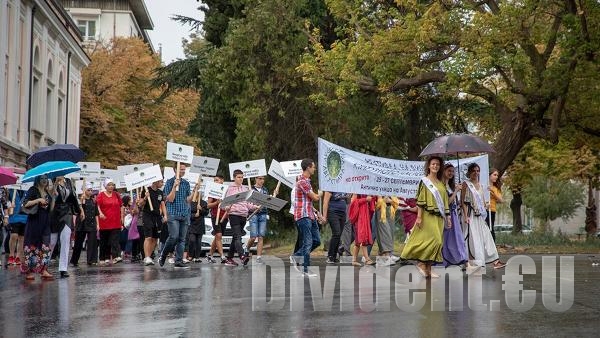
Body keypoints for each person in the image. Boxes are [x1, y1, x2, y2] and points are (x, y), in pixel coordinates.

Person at [401, 156, 450, 278]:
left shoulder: (441, 184)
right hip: (427, 216)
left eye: (437, 164)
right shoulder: (425, 181)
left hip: (439, 218)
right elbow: (421, 201)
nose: (435, 166)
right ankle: (421, 263)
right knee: (435, 241)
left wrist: (448, 217)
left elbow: (445, 202)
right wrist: (419, 217)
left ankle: (429, 267)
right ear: (429, 166)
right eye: (433, 164)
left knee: (438, 243)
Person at [461, 163, 506, 269]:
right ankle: (468, 262)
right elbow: (462, 201)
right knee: (471, 238)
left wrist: (486, 205)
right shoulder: (466, 184)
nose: (476, 173)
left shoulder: (481, 185)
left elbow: (480, 200)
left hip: (479, 215)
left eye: (477, 171)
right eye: (474, 171)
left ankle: (491, 260)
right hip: (470, 214)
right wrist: (465, 215)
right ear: (469, 172)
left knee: (485, 236)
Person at [290, 159, 323, 277]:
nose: (314, 169)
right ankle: (305, 269)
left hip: (310, 215)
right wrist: (320, 194)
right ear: (308, 167)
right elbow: (314, 197)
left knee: (317, 241)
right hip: (303, 216)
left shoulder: (307, 181)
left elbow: (309, 201)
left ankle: (296, 256)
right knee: (308, 242)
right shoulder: (302, 181)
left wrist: (316, 212)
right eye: (313, 167)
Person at [159, 163, 195, 269]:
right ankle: (163, 255)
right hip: (173, 213)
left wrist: (194, 191)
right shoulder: (170, 182)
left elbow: (188, 200)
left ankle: (178, 260)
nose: (183, 171)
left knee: (182, 239)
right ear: (175, 170)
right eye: (181, 169)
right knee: (173, 236)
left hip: (184, 213)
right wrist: (174, 186)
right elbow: (169, 199)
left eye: (184, 169)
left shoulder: (186, 183)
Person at [21, 175, 54, 281]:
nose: (44, 181)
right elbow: (25, 203)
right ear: (38, 180)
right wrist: (38, 199)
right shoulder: (33, 190)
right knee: (31, 245)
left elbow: (51, 208)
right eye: (42, 179)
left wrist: (53, 196)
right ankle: (29, 271)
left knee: (45, 245)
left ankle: (44, 269)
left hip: (45, 221)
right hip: (34, 222)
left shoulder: (48, 192)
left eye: (46, 179)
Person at [49, 176, 83, 278]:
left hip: (67, 213)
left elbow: (73, 197)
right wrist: (54, 185)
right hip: (54, 213)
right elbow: (50, 197)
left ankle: (63, 268)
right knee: (52, 241)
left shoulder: (68, 181)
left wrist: (79, 210)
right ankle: (44, 265)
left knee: (66, 240)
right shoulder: (51, 181)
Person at [220, 169, 253, 266]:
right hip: (234, 214)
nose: (241, 179)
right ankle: (242, 256)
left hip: (243, 215)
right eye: (239, 177)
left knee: (235, 238)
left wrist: (255, 207)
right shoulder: (230, 189)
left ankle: (229, 258)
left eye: (242, 177)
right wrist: (226, 207)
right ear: (234, 178)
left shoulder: (245, 189)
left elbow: (248, 204)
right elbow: (223, 204)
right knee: (238, 236)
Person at [441, 163, 468, 267]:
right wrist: (456, 191)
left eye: (453, 171)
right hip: (447, 215)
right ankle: (450, 260)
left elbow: (454, 202)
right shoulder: (442, 186)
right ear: (443, 171)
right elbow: (446, 202)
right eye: (449, 171)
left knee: (456, 238)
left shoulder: (450, 186)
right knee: (448, 239)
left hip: (454, 214)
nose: (451, 173)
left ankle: (461, 260)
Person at [139, 180, 167, 266]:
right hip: (147, 215)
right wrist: (145, 198)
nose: (162, 184)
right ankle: (146, 257)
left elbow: (162, 204)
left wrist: (165, 215)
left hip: (157, 216)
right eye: (161, 182)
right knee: (148, 237)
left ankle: (149, 256)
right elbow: (140, 204)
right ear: (155, 181)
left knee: (155, 238)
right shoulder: (146, 190)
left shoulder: (160, 192)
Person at [96, 179, 124, 265]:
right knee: (104, 241)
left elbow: (121, 206)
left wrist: (122, 217)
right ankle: (103, 257)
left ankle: (116, 256)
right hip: (104, 221)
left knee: (114, 240)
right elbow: (97, 205)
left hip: (115, 221)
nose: (111, 187)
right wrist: (100, 213)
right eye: (109, 185)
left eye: (112, 185)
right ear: (105, 186)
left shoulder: (116, 194)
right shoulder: (101, 195)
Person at [71, 184, 99, 266]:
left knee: (92, 243)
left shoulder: (93, 201)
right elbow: (76, 211)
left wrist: (97, 224)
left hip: (92, 223)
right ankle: (74, 260)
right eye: (88, 190)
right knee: (78, 243)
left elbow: (96, 213)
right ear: (84, 191)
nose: (90, 192)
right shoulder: (80, 200)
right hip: (82, 223)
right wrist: (81, 203)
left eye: (91, 190)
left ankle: (91, 260)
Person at [245, 176, 269, 264]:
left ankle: (259, 257)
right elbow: (247, 202)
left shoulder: (265, 190)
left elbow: (268, 201)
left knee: (261, 236)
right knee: (253, 236)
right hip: (253, 214)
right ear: (255, 179)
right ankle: (247, 248)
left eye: (263, 179)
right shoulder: (250, 188)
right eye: (259, 178)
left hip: (263, 214)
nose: (261, 180)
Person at [322, 191, 349, 264]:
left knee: (339, 234)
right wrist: (324, 216)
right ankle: (330, 256)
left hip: (342, 212)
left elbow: (347, 199)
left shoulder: (343, 187)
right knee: (336, 233)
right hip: (333, 212)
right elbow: (325, 202)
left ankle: (334, 256)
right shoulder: (330, 187)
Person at [349, 194, 375, 267]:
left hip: (365, 215)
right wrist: (365, 200)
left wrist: (370, 199)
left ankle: (354, 260)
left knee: (358, 240)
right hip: (359, 217)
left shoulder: (366, 190)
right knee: (362, 237)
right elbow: (353, 202)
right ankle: (367, 259)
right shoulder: (356, 190)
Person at [206, 175, 227, 264]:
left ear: (222, 180)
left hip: (224, 216)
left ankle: (210, 254)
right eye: (214, 180)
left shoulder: (226, 190)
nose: (215, 181)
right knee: (218, 235)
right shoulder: (212, 192)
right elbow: (207, 205)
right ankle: (222, 256)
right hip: (215, 216)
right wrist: (216, 202)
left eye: (217, 180)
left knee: (217, 237)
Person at [374, 195, 400, 266]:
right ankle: (385, 257)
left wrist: (391, 201)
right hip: (381, 208)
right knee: (384, 232)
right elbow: (377, 202)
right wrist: (383, 200)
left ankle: (387, 255)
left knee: (390, 232)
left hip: (390, 208)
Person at [7, 189, 28, 266]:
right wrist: (9, 205)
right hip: (14, 216)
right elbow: (6, 201)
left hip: (25, 217)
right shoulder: (11, 189)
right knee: (14, 236)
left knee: (21, 238)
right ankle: (11, 255)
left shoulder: (27, 189)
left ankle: (18, 256)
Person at [189, 198, 208, 262]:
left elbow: (206, 213)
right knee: (192, 240)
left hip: (200, 225)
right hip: (192, 224)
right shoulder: (190, 202)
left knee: (198, 242)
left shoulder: (204, 203)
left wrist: (201, 209)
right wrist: (194, 215)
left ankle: (197, 257)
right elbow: (187, 213)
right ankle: (191, 255)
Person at [487, 168, 503, 241]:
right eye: (494, 175)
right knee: (485, 228)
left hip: (492, 210)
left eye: (497, 175)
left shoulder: (496, 188)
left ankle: (493, 246)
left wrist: (492, 193)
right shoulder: (483, 185)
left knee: (491, 228)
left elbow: (501, 200)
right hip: (483, 210)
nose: (496, 177)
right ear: (489, 175)